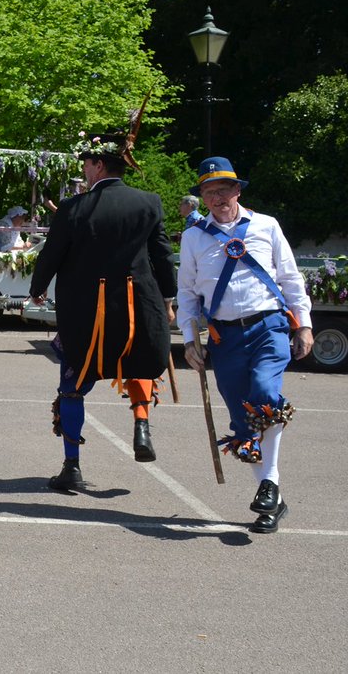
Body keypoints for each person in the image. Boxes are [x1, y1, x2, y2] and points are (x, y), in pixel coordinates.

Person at [29, 132, 176, 490]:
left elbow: (53, 254)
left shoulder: (74, 208)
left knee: (72, 386)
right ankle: (141, 425)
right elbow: (161, 255)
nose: (84, 171)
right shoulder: (148, 202)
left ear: (98, 165)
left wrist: (37, 288)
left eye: (86, 165)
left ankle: (72, 466)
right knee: (139, 362)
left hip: (86, 311)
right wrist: (168, 299)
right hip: (136, 305)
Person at [177, 156, 313, 533]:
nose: (217, 197)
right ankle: (273, 501)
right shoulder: (193, 237)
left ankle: (269, 481)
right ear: (202, 198)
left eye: (224, 189)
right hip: (224, 336)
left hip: (269, 325)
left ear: (238, 190)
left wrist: (303, 325)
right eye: (209, 192)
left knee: (266, 393)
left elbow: (290, 277)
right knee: (242, 422)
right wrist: (190, 340)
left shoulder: (266, 225)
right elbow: (187, 294)